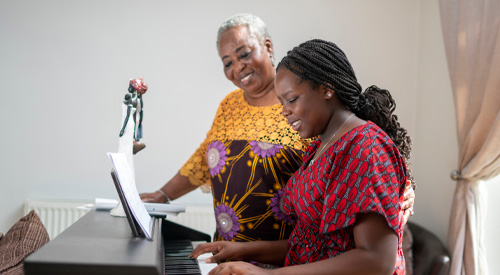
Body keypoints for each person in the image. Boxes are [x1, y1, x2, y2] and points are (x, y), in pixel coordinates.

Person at [140, 13, 415, 245]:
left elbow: (356, 155)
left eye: (244, 54)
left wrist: (403, 188)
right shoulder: (229, 105)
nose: (238, 67)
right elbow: (205, 157)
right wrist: (164, 194)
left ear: (268, 47)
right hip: (230, 252)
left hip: (290, 256)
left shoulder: (309, 104)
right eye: (227, 63)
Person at [190, 39, 411, 275]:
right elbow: (309, 246)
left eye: (292, 99)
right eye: (281, 102)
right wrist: (242, 250)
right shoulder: (320, 145)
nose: (285, 111)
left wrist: (267, 274)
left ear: (327, 89)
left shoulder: (366, 146)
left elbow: (377, 262)